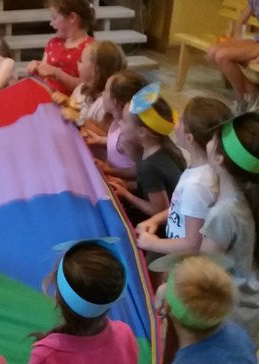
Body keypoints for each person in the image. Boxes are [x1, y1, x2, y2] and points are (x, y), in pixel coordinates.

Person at [136, 97, 231, 257]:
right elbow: (182, 207)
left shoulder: (196, 185)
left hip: (182, 256)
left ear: (189, 138)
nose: (175, 123)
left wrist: (152, 243)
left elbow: (193, 244)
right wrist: (155, 219)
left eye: (180, 121)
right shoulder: (203, 168)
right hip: (177, 245)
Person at [199, 113, 259, 340]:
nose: (209, 141)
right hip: (248, 311)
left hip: (228, 318)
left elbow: (203, 272)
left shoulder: (223, 214)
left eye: (214, 139)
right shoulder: (247, 197)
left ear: (219, 159)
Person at [108, 84, 185, 225]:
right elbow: (154, 183)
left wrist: (127, 195)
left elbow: (159, 211)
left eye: (124, 120)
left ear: (142, 132)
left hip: (162, 228)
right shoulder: (166, 147)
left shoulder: (149, 166)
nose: (119, 122)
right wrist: (124, 183)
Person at [205, 0, 259, 113]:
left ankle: (241, 97)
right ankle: (251, 89)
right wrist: (236, 41)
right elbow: (241, 20)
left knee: (222, 56)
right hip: (257, 39)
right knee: (212, 52)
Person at [25, 0, 96, 95]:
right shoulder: (53, 43)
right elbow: (44, 72)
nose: (51, 23)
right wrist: (36, 66)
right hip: (44, 96)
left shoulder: (90, 48)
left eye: (54, 18)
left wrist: (58, 74)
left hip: (69, 101)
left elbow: (87, 86)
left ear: (72, 17)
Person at [87, 70, 146, 176]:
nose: (102, 93)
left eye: (105, 91)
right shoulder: (118, 121)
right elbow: (117, 145)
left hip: (121, 182)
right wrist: (101, 140)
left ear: (114, 101)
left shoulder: (126, 137)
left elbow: (142, 170)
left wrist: (112, 172)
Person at [55, 41, 125, 126]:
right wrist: (67, 102)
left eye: (81, 60)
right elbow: (76, 109)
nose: (77, 62)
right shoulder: (81, 88)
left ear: (95, 70)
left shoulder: (105, 103)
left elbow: (104, 132)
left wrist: (78, 118)